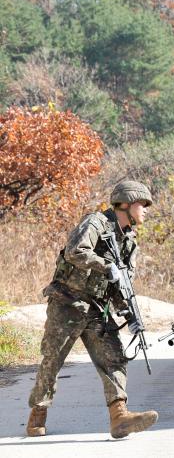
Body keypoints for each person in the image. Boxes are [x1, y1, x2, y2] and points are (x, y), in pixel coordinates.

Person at [26, 181, 158, 439]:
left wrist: (129, 314)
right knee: (52, 360)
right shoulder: (96, 223)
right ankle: (37, 414)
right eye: (143, 204)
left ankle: (119, 416)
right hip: (68, 301)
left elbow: (121, 284)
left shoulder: (129, 242)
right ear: (127, 203)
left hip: (98, 308)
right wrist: (106, 266)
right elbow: (76, 252)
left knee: (114, 358)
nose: (146, 210)